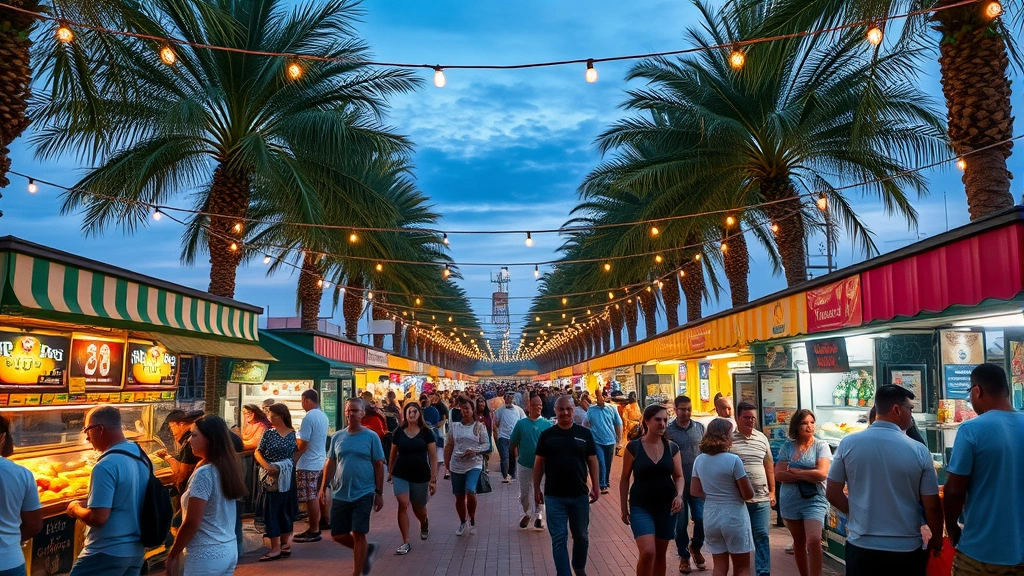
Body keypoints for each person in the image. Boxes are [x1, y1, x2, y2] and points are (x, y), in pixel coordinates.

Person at [826, 385, 942, 575]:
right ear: (897, 409)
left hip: (862, 547)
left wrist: (857, 513)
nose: (911, 415)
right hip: (905, 548)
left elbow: (832, 493)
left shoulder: (849, 444)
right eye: (910, 409)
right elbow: (932, 505)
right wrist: (937, 539)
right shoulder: (919, 450)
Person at [944, 364, 1024, 574]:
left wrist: (951, 527)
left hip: (981, 552)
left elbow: (954, 490)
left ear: (977, 391)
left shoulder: (971, 429)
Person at [68, 406, 149, 576]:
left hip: (106, 552)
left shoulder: (105, 465)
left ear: (99, 429)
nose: (87, 437)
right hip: (136, 552)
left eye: (87, 430)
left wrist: (75, 509)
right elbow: (127, 497)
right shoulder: (140, 455)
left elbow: (98, 518)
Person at [166, 416, 247, 576]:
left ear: (209, 439)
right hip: (228, 549)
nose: (190, 440)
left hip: (206, 555)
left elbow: (191, 522)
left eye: (194, 435)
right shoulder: (225, 466)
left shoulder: (205, 473)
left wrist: (174, 552)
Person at [534, 395, 600, 576]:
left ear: (574, 410)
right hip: (554, 496)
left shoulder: (584, 434)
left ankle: (579, 567)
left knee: (581, 535)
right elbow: (539, 463)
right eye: (561, 409)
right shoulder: (547, 435)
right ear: (555, 411)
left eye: (568, 409)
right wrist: (536, 489)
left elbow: (592, 459)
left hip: (579, 494)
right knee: (559, 538)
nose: (564, 413)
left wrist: (596, 485)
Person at [321, 398, 386, 576]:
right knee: (338, 534)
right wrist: (323, 487)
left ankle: (357, 573)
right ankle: (366, 550)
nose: (351, 414)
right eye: (349, 410)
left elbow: (379, 465)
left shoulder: (371, 436)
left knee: (358, 532)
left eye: (355, 410)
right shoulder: (338, 437)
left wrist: (379, 493)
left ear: (363, 413)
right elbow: (331, 462)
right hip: (340, 492)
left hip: (364, 491)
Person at [619, 405, 684, 576]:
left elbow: (679, 476)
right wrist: (623, 508)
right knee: (648, 552)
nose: (662, 423)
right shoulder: (634, 447)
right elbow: (624, 478)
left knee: (660, 556)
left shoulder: (672, 448)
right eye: (658, 419)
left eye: (664, 420)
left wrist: (679, 495)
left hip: (666, 506)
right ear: (646, 421)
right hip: (641, 505)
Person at [690, 418, 755, 576]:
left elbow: (694, 490)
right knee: (742, 568)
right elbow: (748, 494)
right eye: (731, 433)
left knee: (719, 566)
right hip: (734, 516)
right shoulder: (733, 460)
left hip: (711, 516)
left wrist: (713, 494)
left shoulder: (699, 460)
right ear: (725, 435)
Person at [774, 410, 831, 576]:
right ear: (797, 426)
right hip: (790, 500)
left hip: (815, 499)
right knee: (799, 541)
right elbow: (779, 474)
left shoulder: (821, 446)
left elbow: (821, 473)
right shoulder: (787, 447)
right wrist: (808, 474)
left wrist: (795, 471)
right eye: (805, 423)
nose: (809, 426)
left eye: (812, 422)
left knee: (813, 540)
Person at [731, 401, 776, 576]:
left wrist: (772, 491)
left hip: (762, 499)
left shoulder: (762, 438)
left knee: (762, 536)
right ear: (737, 418)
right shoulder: (730, 440)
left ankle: (763, 572)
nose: (750, 421)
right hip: (739, 500)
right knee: (741, 539)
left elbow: (769, 465)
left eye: (753, 418)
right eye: (746, 418)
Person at [387, 402, 438, 554]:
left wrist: (433, 479)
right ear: (405, 414)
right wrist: (390, 472)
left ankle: (424, 522)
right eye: (409, 411)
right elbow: (393, 453)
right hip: (401, 473)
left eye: (415, 411)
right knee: (403, 503)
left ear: (419, 414)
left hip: (420, 474)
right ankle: (406, 541)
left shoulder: (426, 432)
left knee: (418, 506)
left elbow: (433, 456)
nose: (412, 414)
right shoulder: (398, 432)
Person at [665, 395, 706, 574]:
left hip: (698, 486)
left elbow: (706, 454)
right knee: (680, 525)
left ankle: (695, 547)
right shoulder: (668, 431)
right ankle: (684, 555)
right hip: (677, 488)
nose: (686, 412)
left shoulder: (699, 428)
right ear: (675, 409)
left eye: (688, 408)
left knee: (702, 519)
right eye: (682, 409)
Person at [253, 403, 297, 562]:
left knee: (282, 510)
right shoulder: (268, 433)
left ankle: (281, 546)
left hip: (285, 477)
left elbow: (292, 455)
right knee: (271, 510)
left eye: (271, 414)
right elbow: (258, 452)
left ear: (280, 416)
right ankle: (278, 545)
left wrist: (279, 467)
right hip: (270, 477)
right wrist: (268, 467)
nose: (269, 417)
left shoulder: (291, 433)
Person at [0, 414, 42, 576]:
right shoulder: (21, 474)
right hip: (9, 561)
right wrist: (11, 541)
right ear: (3, 437)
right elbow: (34, 524)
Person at [443, 397, 490, 536]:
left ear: (472, 410)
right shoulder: (455, 427)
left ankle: (472, 518)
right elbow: (449, 445)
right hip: (456, 465)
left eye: (467, 409)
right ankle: (463, 521)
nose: (464, 412)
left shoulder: (479, 426)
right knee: (458, 496)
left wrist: (474, 450)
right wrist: (447, 464)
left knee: (470, 490)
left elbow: (487, 444)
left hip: (474, 464)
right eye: (462, 409)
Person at [510, 394, 553, 530]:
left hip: (542, 466)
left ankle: (539, 514)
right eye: (535, 405)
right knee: (524, 493)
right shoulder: (521, 424)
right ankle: (526, 513)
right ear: (529, 407)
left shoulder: (547, 425)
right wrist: (516, 456)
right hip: (524, 464)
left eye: (540, 405)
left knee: (540, 490)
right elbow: (513, 443)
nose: (538, 408)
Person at [293, 389, 330, 543]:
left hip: (308, 462)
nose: (302, 405)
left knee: (311, 496)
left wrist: (293, 458)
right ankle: (325, 519)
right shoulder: (322, 415)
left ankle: (314, 529)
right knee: (319, 491)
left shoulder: (309, 417)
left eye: (302, 401)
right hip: (320, 459)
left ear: (307, 400)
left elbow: (303, 443)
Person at [583, 388, 622, 494]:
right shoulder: (591, 410)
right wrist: (589, 434)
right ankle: (603, 485)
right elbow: (585, 423)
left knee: (608, 463)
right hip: (597, 441)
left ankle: (606, 481)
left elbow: (618, 424)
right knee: (601, 462)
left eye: (601, 396)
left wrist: (619, 440)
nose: (600, 399)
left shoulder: (612, 409)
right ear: (596, 398)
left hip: (610, 441)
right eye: (598, 396)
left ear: (605, 398)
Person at [493, 391, 526, 483]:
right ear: (504, 399)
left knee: (512, 457)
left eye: (511, 398)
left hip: (515, 438)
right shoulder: (499, 410)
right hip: (503, 437)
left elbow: (523, 422)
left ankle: (512, 474)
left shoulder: (519, 410)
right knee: (504, 457)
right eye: (507, 398)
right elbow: (496, 423)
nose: (509, 399)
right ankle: (505, 475)